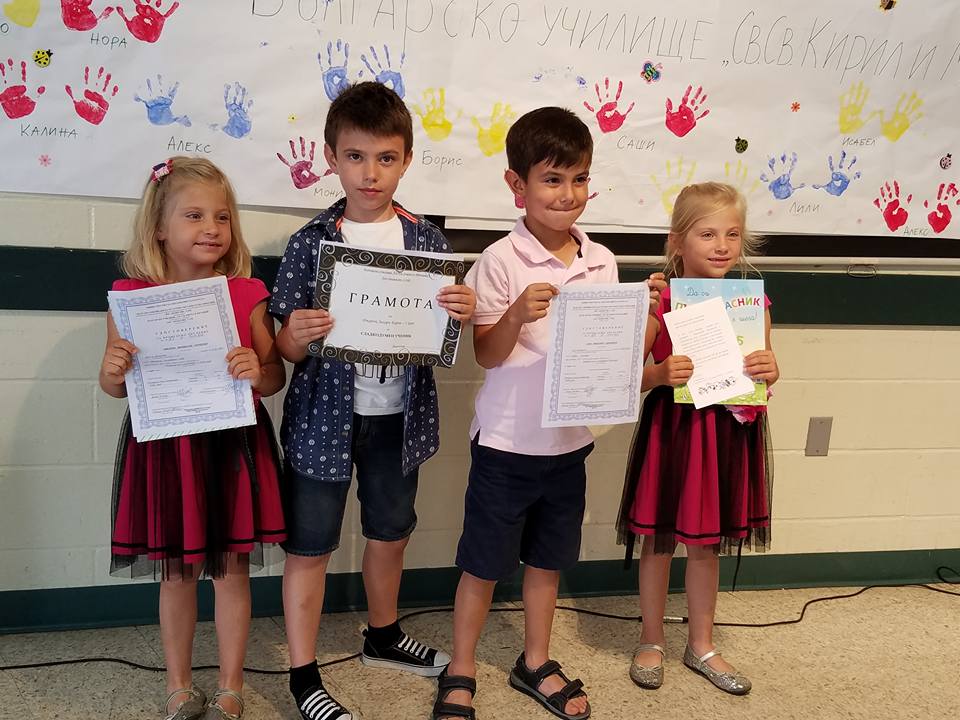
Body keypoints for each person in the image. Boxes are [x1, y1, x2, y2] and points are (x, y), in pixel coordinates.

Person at [434, 106, 663, 720]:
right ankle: (461, 666)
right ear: (518, 184)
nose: (568, 194)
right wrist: (514, 313)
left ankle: (534, 660)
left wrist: (647, 316)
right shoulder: (498, 260)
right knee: (482, 565)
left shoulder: (602, 260)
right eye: (552, 179)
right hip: (507, 444)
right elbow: (486, 354)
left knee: (547, 560)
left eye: (579, 178)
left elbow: (615, 359)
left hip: (568, 445)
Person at [269, 81, 476, 720]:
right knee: (310, 545)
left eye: (386, 158)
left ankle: (382, 636)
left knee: (390, 532)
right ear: (331, 157)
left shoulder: (427, 242)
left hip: (399, 420)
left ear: (406, 160)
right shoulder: (311, 241)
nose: (370, 173)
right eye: (355, 157)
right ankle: (303, 675)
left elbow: (445, 332)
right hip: (321, 420)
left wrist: (461, 311)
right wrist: (295, 334)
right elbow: (284, 347)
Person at [100, 157, 287, 720]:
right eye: (194, 215)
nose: (212, 228)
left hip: (232, 445)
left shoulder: (247, 292)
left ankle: (231, 685)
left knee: (231, 573)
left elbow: (274, 376)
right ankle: (178, 685)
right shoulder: (130, 296)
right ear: (159, 226)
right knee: (176, 574)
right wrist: (112, 370)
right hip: (166, 448)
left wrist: (256, 369)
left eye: (222, 217)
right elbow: (115, 386)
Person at [616, 182, 780, 696]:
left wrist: (770, 370)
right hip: (675, 430)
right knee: (661, 539)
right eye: (707, 234)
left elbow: (765, 371)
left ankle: (702, 644)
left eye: (732, 234)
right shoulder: (658, 299)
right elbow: (626, 376)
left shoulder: (753, 302)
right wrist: (659, 372)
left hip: (726, 433)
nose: (722, 245)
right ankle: (651, 638)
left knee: (707, 544)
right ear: (677, 241)